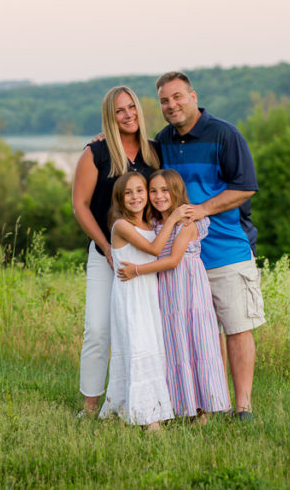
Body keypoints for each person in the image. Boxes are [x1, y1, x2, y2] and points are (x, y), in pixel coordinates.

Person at [154, 71, 265, 421]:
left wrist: (202, 209)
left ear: (192, 96)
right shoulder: (163, 140)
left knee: (236, 326)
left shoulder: (225, 134)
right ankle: (209, 401)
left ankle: (243, 405)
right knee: (200, 332)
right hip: (184, 257)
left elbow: (245, 187)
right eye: (164, 101)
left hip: (227, 249)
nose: (171, 105)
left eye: (177, 97)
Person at [71, 86, 161, 416]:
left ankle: (149, 400)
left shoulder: (154, 152)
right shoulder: (96, 152)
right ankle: (91, 405)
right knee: (97, 329)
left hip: (146, 257)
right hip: (105, 255)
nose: (128, 115)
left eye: (132, 107)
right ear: (110, 117)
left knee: (146, 329)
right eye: (120, 111)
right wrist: (107, 247)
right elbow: (79, 205)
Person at [117, 169, 231, 421]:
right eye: (154, 191)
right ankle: (185, 406)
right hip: (167, 294)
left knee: (198, 343)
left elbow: (173, 260)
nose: (158, 196)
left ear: (176, 191)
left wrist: (136, 270)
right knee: (176, 346)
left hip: (190, 290)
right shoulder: (155, 223)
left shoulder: (187, 222)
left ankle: (206, 410)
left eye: (164, 190)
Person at [98, 171, 190, 430]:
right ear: (119, 198)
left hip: (150, 294)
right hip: (131, 295)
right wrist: (173, 218)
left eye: (140, 190)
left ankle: (147, 407)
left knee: (152, 348)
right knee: (138, 347)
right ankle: (147, 418)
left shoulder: (150, 224)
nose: (135, 197)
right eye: (128, 193)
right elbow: (154, 250)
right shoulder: (121, 225)